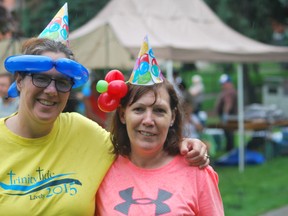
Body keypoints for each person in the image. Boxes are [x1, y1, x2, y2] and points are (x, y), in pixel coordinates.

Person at [0, 37, 209, 215]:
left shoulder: (84, 132)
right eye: (41, 78)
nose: (51, 90)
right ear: (19, 80)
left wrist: (184, 143)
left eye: (62, 82)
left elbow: (138, 140)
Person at [96, 79, 224, 215]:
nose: (148, 121)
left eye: (159, 111)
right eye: (139, 109)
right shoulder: (102, 169)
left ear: (173, 117)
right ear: (123, 115)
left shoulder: (197, 172)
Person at [215, 74, 238, 152]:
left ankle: (230, 151)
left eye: (224, 84)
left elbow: (228, 104)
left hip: (229, 117)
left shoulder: (229, 92)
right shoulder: (229, 91)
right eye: (221, 84)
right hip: (229, 117)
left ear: (229, 83)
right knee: (228, 135)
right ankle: (230, 150)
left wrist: (225, 115)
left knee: (229, 134)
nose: (222, 86)